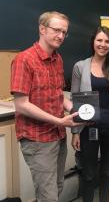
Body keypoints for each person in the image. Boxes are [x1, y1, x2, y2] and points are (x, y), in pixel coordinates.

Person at [10, 11, 81, 202]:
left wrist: (74, 107)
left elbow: (57, 95)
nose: (61, 36)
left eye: (64, 32)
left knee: (57, 187)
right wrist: (59, 120)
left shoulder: (57, 59)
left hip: (57, 135)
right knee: (47, 195)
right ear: (42, 29)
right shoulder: (24, 60)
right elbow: (22, 105)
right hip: (37, 139)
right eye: (56, 30)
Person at [70, 26, 109, 202]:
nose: (103, 44)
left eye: (107, 41)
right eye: (99, 40)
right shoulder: (80, 66)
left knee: (106, 173)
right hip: (89, 128)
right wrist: (75, 132)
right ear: (93, 42)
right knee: (88, 174)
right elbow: (75, 102)